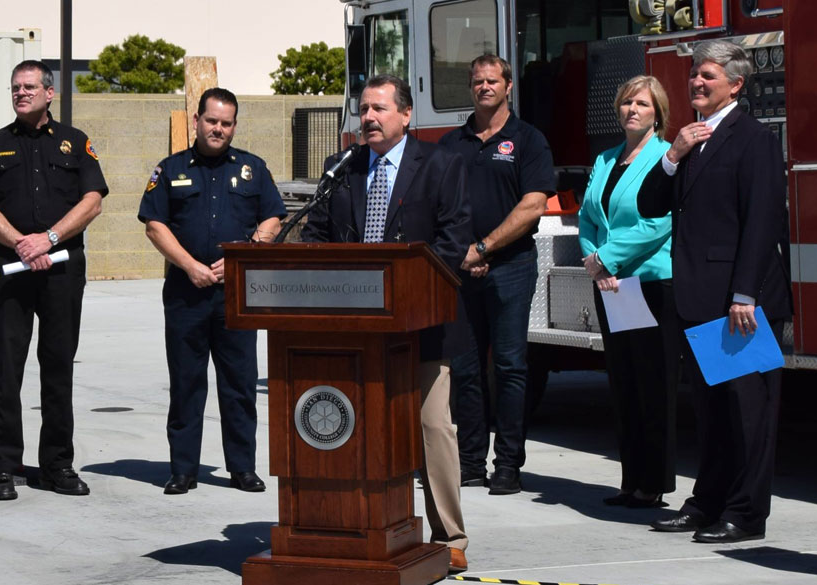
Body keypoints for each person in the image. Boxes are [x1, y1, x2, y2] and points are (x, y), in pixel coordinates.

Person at [301, 75, 472, 573]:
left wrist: (398, 289)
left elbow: (452, 241)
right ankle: (358, 523)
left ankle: (450, 535)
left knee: (431, 425)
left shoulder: (441, 164)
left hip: (420, 326)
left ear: (406, 115)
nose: (368, 119)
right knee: (358, 428)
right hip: (353, 331)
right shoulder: (344, 168)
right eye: (363, 110)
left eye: (378, 109)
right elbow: (316, 232)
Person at [639, 40, 791, 543]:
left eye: (707, 75)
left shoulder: (753, 139)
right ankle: (708, 500)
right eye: (694, 75)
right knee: (712, 413)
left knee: (748, 414)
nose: (696, 83)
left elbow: (761, 221)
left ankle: (745, 514)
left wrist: (746, 293)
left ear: (736, 84)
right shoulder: (691, 138)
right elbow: (650, 203)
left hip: (737, 301)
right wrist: (673, 154)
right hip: (698, 297)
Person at [0, 60, 107, 501]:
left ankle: (57, 464)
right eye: (15, 88)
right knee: (5, 369)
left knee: (58, 366)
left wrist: (48, 239)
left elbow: (93, 200)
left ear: (49, 92)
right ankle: (2, 467)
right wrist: (21, 243)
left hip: (62, 267)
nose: (21, 93)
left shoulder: (75, 142)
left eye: (28, 87)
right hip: (9, 269)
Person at [138, 87, 287, 496]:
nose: (218, 128)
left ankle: (242, 468)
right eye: (212, 120)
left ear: (234, 126)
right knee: (186, 383)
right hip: (186, 294)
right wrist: (190, 266)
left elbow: (273, 215)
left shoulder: (253, 169)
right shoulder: (169, 169)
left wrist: (247, 252)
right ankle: (183, 469)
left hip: (236, 294)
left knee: (239, 384)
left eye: (226, 123)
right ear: (197, 120)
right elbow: (154, 225)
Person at [437, 54, 555, 495]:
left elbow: (533, 205)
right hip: (462, 271)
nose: (484, 87)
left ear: (508, 86)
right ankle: (470, 464)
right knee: (465, 370)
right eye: (477, 81)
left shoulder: (528, 140)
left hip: (512, 267)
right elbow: (440, 206)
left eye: (492, 81)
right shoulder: (452, 144)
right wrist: (463, 253)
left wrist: (484, 247)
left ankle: (508, 465)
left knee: (509, 367)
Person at [578, 75, 678, 508]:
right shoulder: (605, 159)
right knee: (623, 382)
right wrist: (595, 263)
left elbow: (658, 222)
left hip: (649, 284)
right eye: (626, 103)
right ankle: (631, 479)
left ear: (658, 112)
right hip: (613, 287)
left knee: (653, 383)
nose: (632, 110)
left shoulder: (664, 158)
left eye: (641, 103)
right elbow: (587, 218)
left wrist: (608, 260)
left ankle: (654, 482)